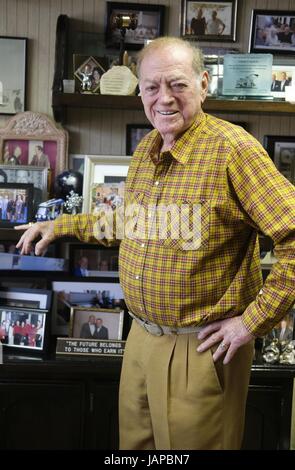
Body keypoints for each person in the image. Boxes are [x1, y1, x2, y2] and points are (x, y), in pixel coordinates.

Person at [15, 37, 295, 450]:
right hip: (141, 340)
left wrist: (250, 323)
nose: (164, 98)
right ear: (139, 92)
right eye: (151, 87)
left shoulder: (234, 150)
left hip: (200, 350)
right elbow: (133, 222)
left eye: (177, 85)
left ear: (203, 85)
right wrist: (62, 225)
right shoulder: (148, 147)